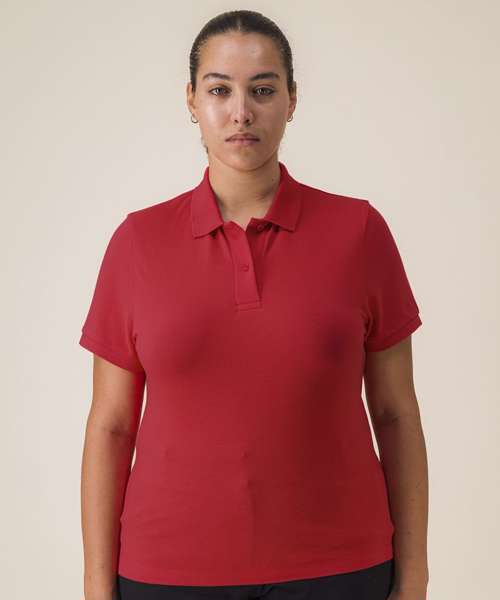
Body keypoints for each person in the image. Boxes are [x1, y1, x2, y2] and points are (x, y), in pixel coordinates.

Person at [79, 9, 429, 600]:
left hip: (340, 569)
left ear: (292, 100)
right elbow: (111, 425)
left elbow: (396, 413)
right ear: (192, 101)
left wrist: (414, 576)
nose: (241, 112)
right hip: (168, 573)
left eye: (263, 90)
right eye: (220, 90)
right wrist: (95, 584)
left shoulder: (359, 231)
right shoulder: (138, 242)